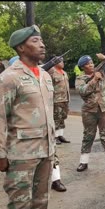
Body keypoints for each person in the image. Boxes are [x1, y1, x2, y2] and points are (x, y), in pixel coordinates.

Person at [0, 25, 55, 209]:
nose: (42, 45)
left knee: (40, 206)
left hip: (46, 151)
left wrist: (53, 148)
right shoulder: (9, 78)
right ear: (21, 48)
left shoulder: (45, 76)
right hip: (21, 155)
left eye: (42, 41)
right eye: (35, 41)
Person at [75, 55, 105, 173]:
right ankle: (83, 162)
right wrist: (94, 80)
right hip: (90, 110)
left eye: (92, 62)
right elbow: (83, 91)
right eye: (88, 64)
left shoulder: (103, 73)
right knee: (88, 136)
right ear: (83, 67)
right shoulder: (80, 78)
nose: (91, 65)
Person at [46, 56, 70, 192]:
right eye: (60, 60)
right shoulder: (50, 72)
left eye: (62, 60)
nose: (62, 62)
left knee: (61, 119)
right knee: (56, 119)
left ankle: (60, 136)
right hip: (55, 100)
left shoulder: (64, 73)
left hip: (64, 99)